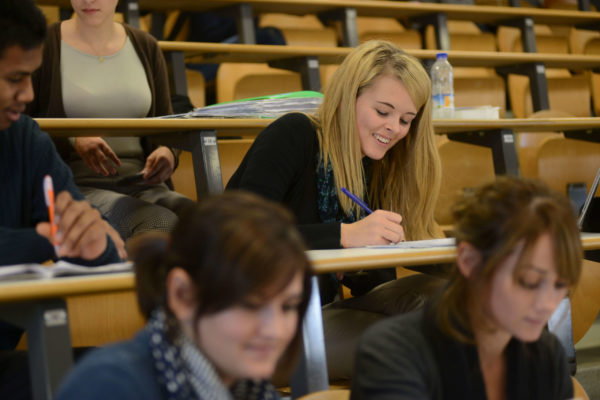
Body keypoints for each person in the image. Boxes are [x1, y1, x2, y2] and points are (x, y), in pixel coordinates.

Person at [226, 40, 442, 301]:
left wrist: (359, 264)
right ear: (345, 99)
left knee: (432, 294)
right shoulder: (293, 134)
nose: (395, 128)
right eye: (383, 111)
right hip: (256, 305)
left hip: (320, 310)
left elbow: (375, 284)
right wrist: (343, 236)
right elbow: (242, 233)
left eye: (406, 120)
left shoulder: (379, 165)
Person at [55, 191, 313, 399]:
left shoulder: (249, 387)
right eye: (251, 306)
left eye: (288, 307)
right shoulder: (107, 388)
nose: (275, 330)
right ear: (182, 295)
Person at [351, 176, 583, 400]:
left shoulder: (544, 354)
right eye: (529, 282)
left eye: (560, 285)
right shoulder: (391, 353)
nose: (547, 303)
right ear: (470, 261)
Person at [0, 0, 123, 396]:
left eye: (33, 78)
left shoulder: (26, 140)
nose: (29, 94)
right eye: (16, 79)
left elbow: (91, 238)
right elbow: (55, 234)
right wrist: (47, 238)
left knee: (135, 373)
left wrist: (96, 243)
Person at [26, 0, 195, 241]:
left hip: (142, 180)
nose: (89, 0)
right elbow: (19, 125)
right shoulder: (45, 44)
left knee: (201, 219)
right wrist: (73, 138)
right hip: (73, 183)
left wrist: (168, 152)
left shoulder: (145, 45)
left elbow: (166, 124)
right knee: (159, 222)